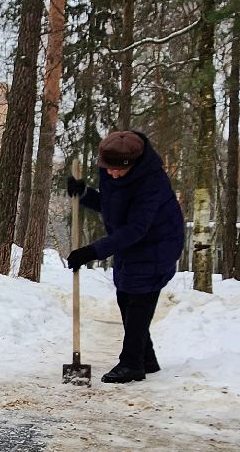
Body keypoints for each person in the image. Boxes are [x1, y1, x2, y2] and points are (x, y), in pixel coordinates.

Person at [65, 129, 185, 384]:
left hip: (157, 244)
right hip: (130, 244)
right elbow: (113, 206)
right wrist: (84, 194)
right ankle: (146, 358)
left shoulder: (152, 181)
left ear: (132, 164)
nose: (111, 174)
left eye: (118, 170)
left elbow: (136, 227)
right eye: (107, 169)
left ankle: (132, 364)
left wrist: (92, 251)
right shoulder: (111, 168)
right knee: (125, 297)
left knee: (139, 299)